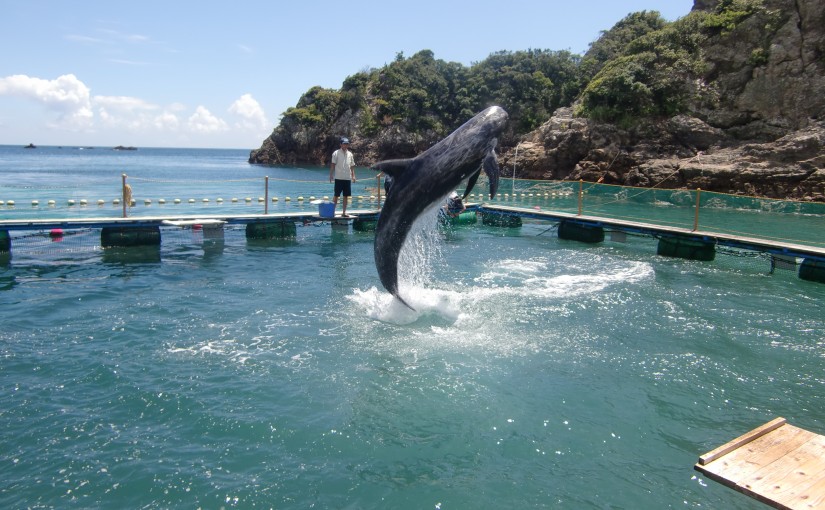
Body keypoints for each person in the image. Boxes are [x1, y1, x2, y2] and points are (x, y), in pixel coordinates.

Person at [329, 137, 356, 216]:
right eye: (344, 144)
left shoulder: (350, 154)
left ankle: (344, 212)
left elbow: (352, 166)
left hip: (347, 178)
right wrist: (331, 175)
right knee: (336, 195)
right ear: (340, 144)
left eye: (347, 144)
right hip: (339, 178)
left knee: (346, 196)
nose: (345, 145)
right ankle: (332, 212)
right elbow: (333, 164)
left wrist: (353, 176)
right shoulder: (336, 153)